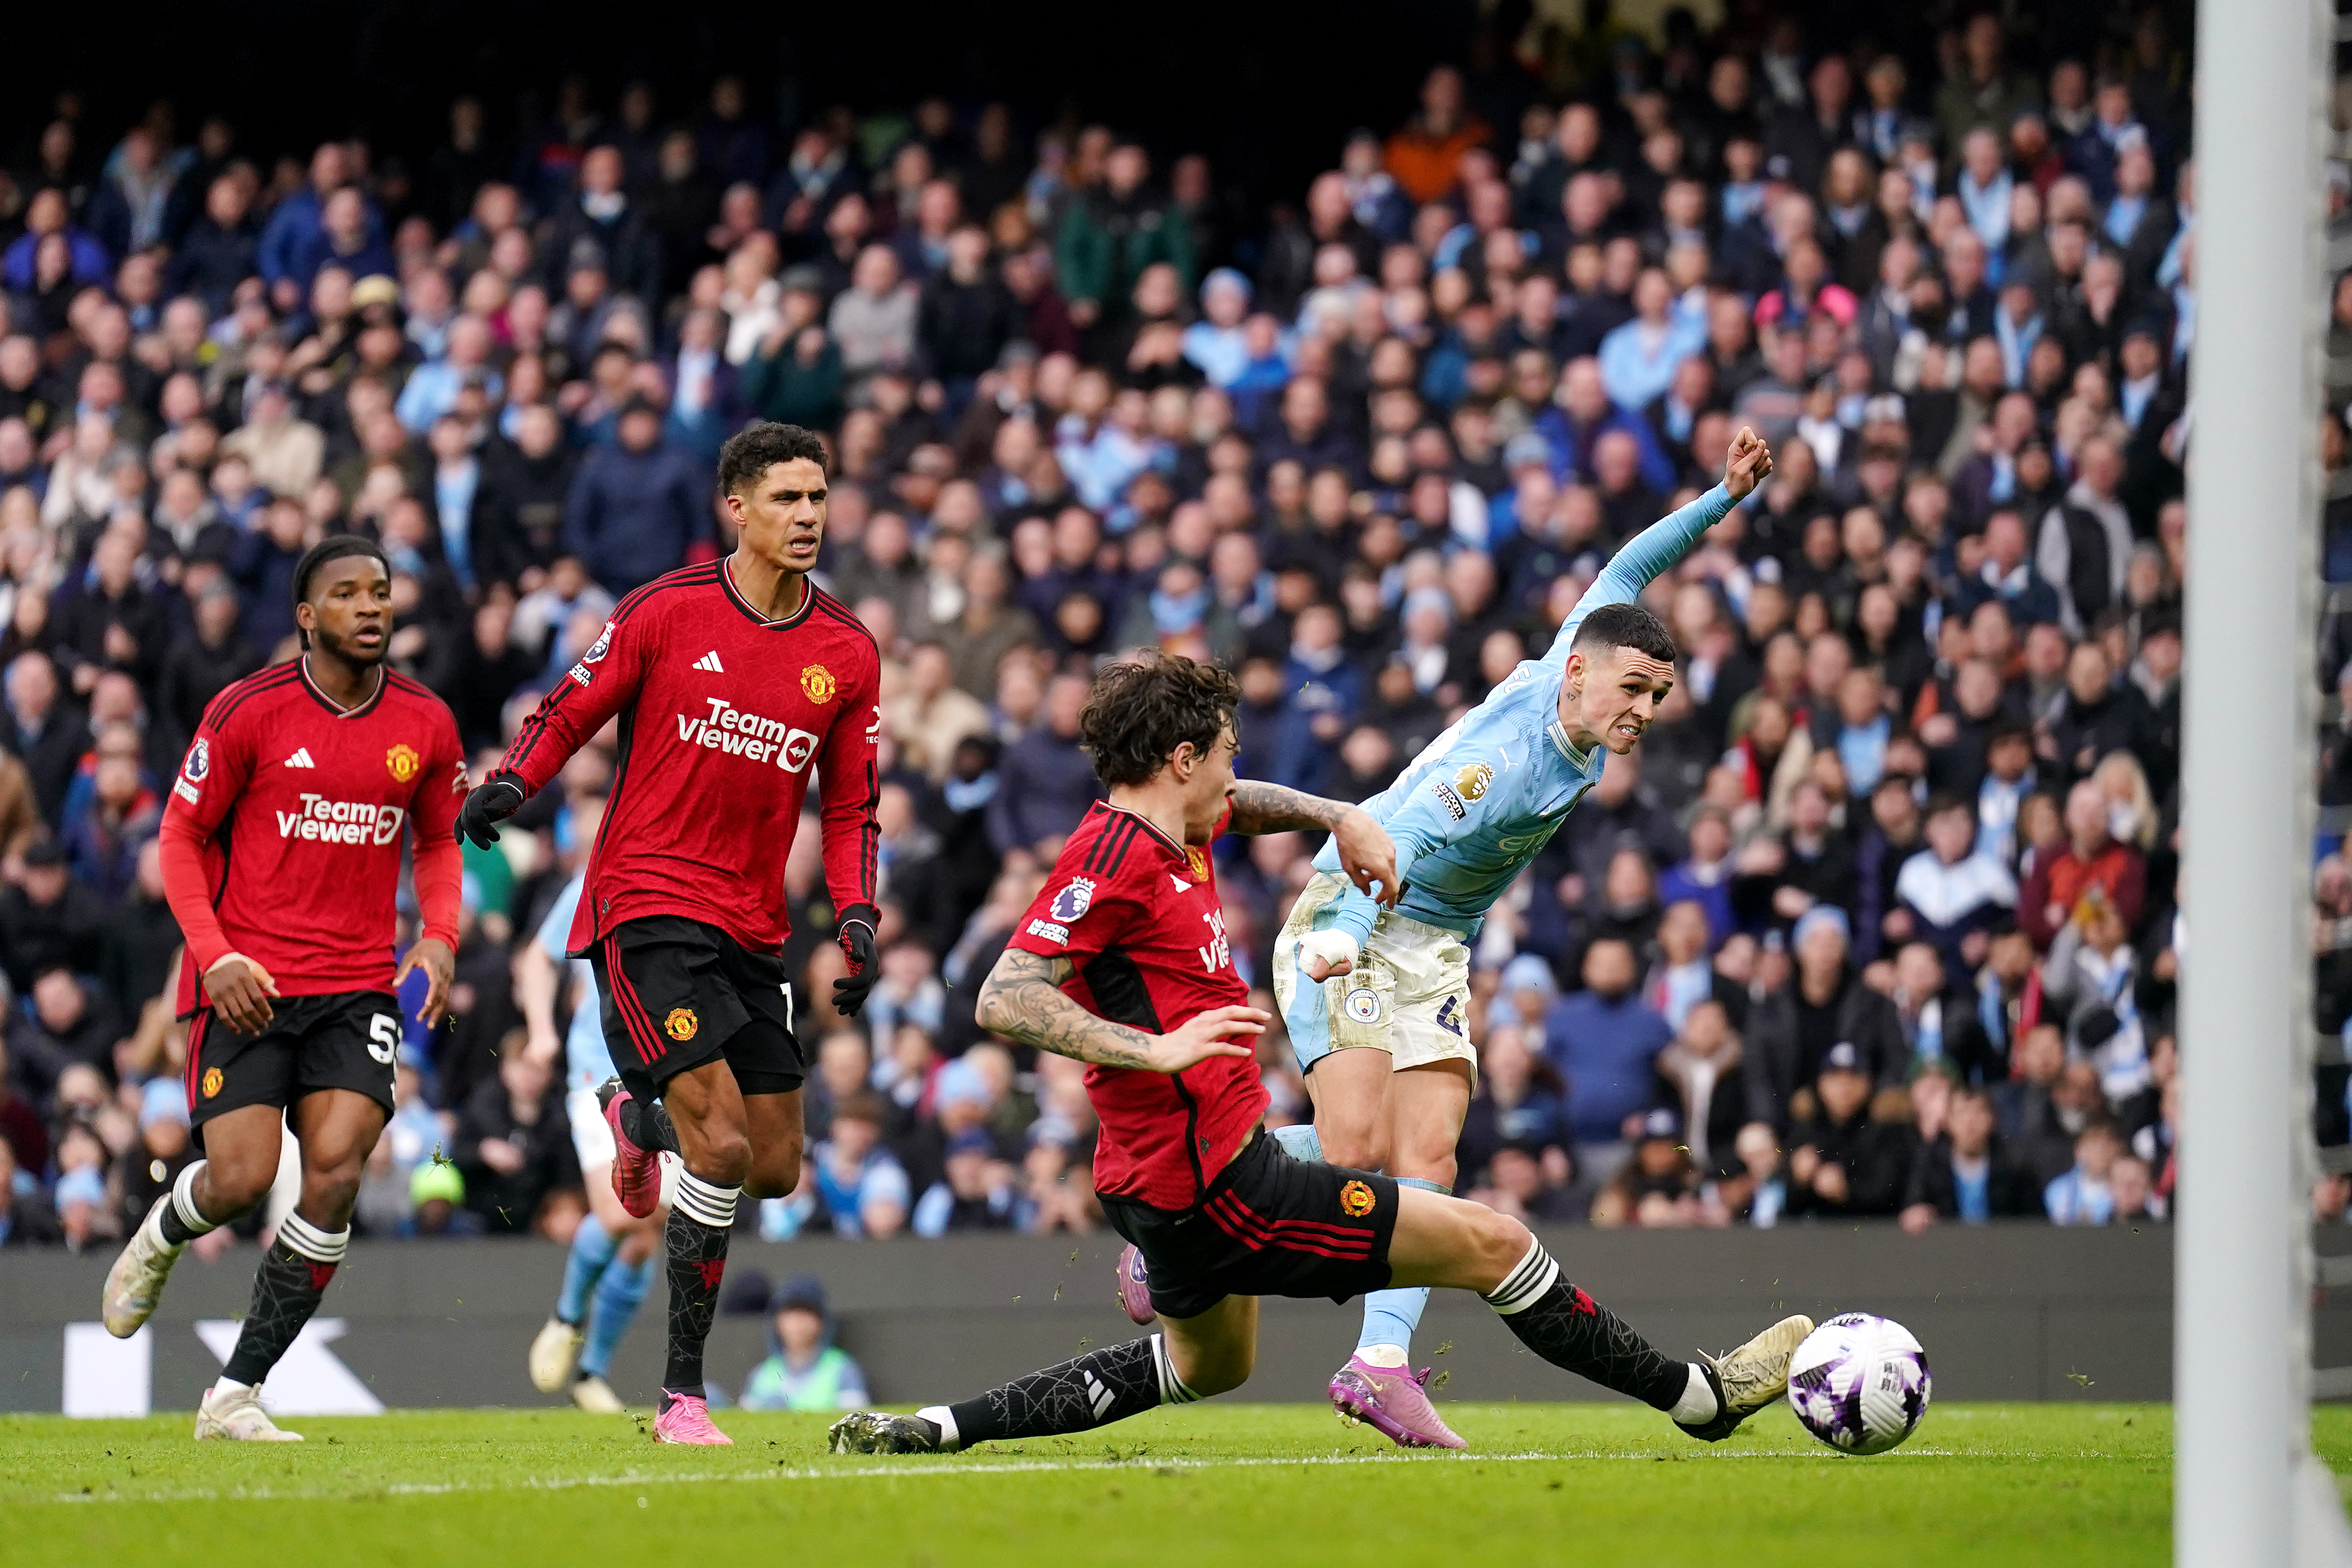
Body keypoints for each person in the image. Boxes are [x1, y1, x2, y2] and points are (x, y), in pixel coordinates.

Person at [828, 651, 1808, 1460]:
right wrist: (1158, 1048)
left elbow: (1239, 802)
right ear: (1178, 759)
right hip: (1219, 1182)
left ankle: (935, 1428)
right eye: (1221, 751)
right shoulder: (1113, 857)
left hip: (1155, 1184)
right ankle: (1697, 1397)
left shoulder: (1178, 822)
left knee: (1208, 1367)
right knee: (1496, 1244)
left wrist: (1338, 813)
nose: (1230, 768)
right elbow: (1006, 992)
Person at [1261, 427, 1777, 1449]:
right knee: (1358, 1146)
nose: (1642, 711)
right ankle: (1187, 1184)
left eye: (1657, 696)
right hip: (1356, 915)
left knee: (1430, 1155)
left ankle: (1378, 1366)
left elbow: (1630, 566)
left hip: (1438, 945)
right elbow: (1391, 840)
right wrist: (1340, 941)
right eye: (1630, 691)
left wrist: (1720, 500)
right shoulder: (1503, 769)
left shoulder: (1583, 654)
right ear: (1577, 673)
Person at [455, 422, 883, 1446]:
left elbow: (856, 804)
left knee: (778, 1165)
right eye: (787, 498)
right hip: (644, 906)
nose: (809, 516)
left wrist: (859, 913)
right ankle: (681, 1395)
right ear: (735, 509)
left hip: (750, 928)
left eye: (818, 497)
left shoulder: (846, 651)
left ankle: (632, 1121)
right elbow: (571, 708)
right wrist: (516, 778)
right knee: (726, 1145)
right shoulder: (664, 610)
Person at [100, 536, 464, 1441]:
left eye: (380, 591)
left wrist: (441, 935)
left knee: (335, 1173)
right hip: (247, 983)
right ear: (307, 616)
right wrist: (214, 953)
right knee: (240, 1178)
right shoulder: (247, 710)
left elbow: (439, 838)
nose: (371, 607)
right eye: (347, 594)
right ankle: (166, 1229)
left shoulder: (425, 721)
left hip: (355, 985)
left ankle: (235, 1393)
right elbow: (179, 840)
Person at [520, 776, 678, 1413]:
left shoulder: (690, 885)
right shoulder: (601, 880)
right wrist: (538, 1032)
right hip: (599, 1066)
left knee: (645, 1234)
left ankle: (589, 1371)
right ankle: (564, 1317)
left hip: (666, 1067)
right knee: (621, 1216)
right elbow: (535, 960)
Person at [739, 1275, 871, 1411]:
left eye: (807, 1312)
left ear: (822, 1321)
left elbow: (855, 1419)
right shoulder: (763, 1373)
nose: (798, 1322)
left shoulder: (842, 1368)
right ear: (776, 1322)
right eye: (790, 1313)